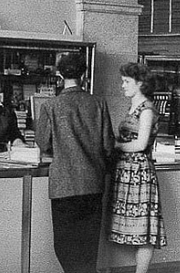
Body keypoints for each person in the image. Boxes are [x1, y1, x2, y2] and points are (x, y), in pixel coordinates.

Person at [35, 53, 115, 273]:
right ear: (84, 75)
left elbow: (43, 142)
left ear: (60, 75)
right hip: (93, 184)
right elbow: (108, 145)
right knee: (88, 247)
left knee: (65, 246)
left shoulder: (50, 106)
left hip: (64, 186)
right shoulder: (98, 103)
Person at [108, 62, 167, 273]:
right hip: (126, 172)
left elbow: (141, 144)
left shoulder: (147, 110)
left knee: (144, 229)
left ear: (140, 83)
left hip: (139, 173)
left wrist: (114, 146)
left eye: (126, 81)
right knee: (134, 227)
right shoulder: (133, 107)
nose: (122, 85)